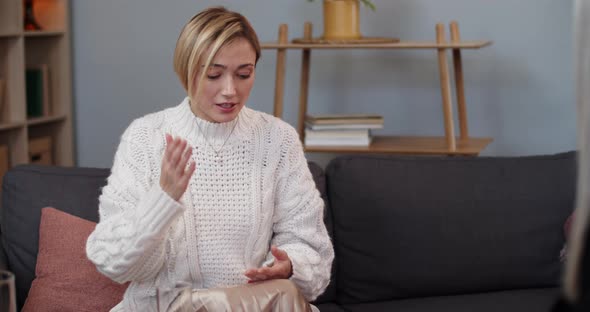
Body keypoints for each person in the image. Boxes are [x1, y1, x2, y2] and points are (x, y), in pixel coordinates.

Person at [86, 6, 334, 311]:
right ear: (185, 71)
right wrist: (162, 200)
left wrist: (290, 265)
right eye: (213, 75)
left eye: (244, 74)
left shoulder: (277, 139)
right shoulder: (146, 137)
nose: (230, 91)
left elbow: (310, 247)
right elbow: (115, 263)